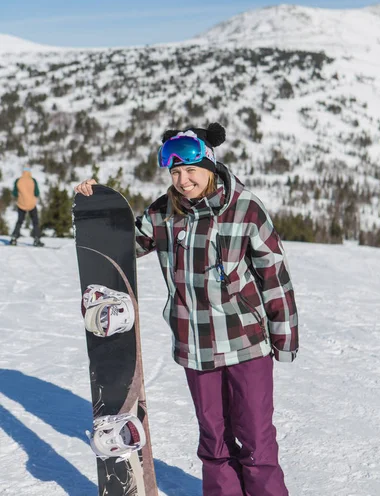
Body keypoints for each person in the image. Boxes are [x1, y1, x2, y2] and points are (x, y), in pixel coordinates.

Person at [75, 122, 299, 496]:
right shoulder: (163, 212)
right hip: (195, 344)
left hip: (246, 342)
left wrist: (284, 337)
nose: (183, 180)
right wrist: (96, 206)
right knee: (213, 440)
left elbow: (274, 276)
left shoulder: (245, 208)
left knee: (256, 439)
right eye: (175, 172)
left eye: (191, 171)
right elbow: (125, 246)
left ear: (210, 167)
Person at [10, 166, 44, 247]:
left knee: (19, 221)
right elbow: (36, 193)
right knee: (35, 222)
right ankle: (37, 239)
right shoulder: (33, 180)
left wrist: (20, 196)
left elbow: (14, 193)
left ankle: (14, 238)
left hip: (21, 204)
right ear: (29, 172)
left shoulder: (18, 180)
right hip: (31, 204)